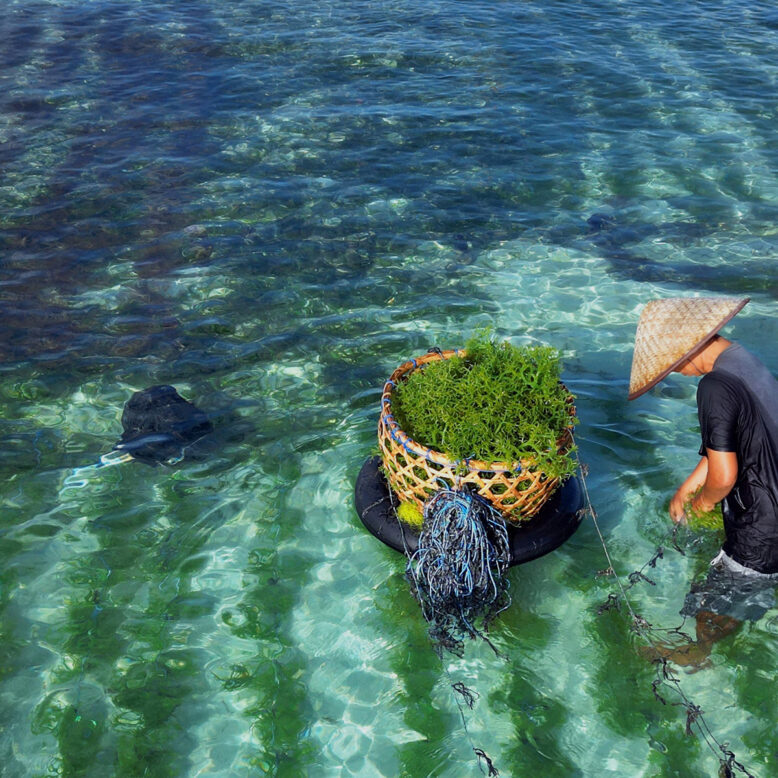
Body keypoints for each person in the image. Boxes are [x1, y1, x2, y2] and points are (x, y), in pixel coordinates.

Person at [629, 296, 778, 668]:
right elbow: (728, 444)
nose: (676, 372)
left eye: (672, 365)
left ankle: (701, 651)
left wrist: (704, 502)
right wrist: (688, 488)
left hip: (763, 521)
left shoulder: (714, 385)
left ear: (688, 350)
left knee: (716, 594)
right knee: (743, 587)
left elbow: (724, 475)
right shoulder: (743, 360)